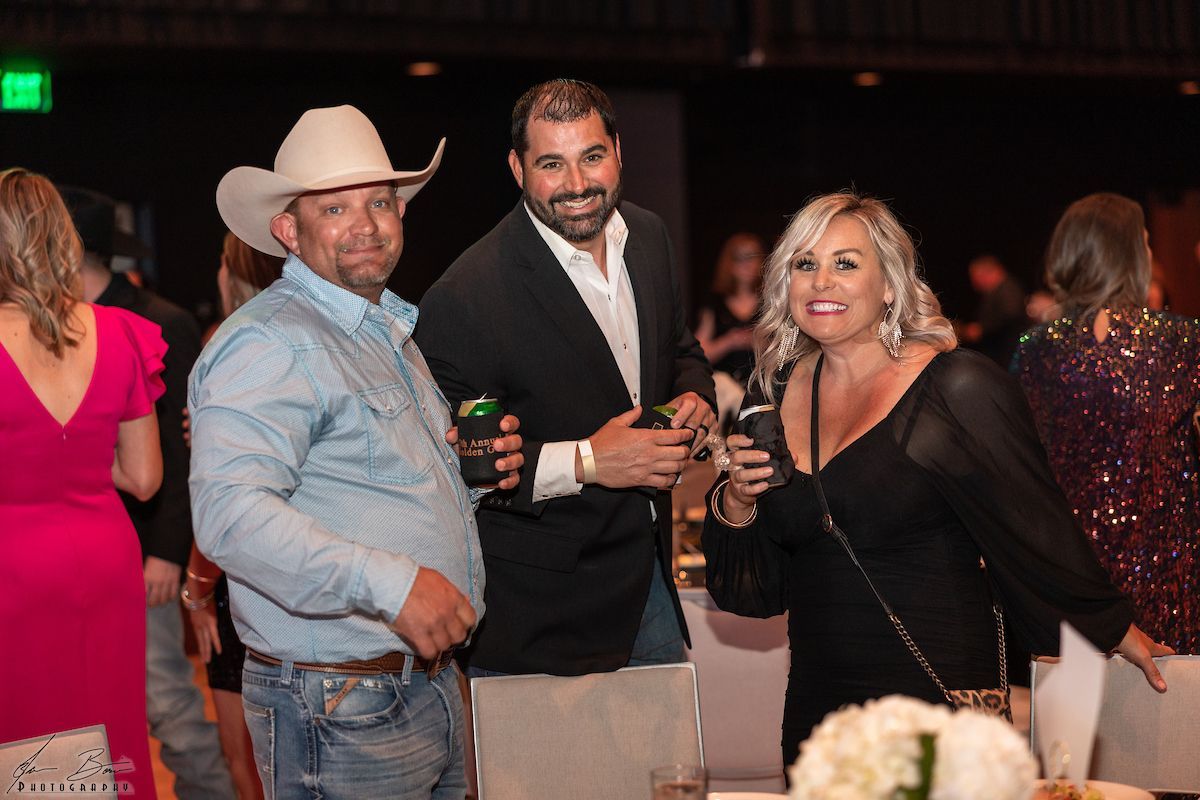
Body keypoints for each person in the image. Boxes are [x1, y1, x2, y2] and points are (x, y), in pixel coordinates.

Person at [702, 191, 1173, 766]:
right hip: (820, 715)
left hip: (938, 700)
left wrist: (1109, 625)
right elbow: (751, 592)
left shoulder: (956, 388)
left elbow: (1035, 528)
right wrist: (737, 500)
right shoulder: (771, 394)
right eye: (805, 263)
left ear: (890, 286)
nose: (822, 280)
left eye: (845, 263)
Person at [189, 105, 523, 799]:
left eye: (379, 201)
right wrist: (393, 586)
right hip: (340, 704)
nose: (365, 223)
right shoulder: (270, 341)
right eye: (335, 208)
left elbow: (370, 487)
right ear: (289, 231)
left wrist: (472, 477)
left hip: (418, 686)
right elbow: (230, 517)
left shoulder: (381, 330)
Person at [417, 79, 715, 677]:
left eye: (592, 156)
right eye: (552, 164)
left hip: (652, 585)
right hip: (542, 620)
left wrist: (695, 397)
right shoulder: (465, 297)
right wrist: (589, 461)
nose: (577, 184)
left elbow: (679, 349)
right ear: (517, 168)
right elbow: (459, 472)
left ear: (618, 152)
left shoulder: (649, 236)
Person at [60, 184, 235, 800]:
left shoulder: (159, 320)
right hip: (76, 547)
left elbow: (184, 449)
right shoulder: (51, 329)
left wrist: (166, 551)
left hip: (141, 547)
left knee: (166, 701)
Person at [0, 168, 164, 797]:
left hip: (14, 564)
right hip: (104, 558)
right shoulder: (120, 331)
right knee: (106, 730)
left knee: (26, 735)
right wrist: (85, 465)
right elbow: (144, 478)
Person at [1013, 193, 1200, 654]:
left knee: (1074, 698)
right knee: (1171, 694)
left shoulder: (1036, 350)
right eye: (1146, 242)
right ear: (1132, 254)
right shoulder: (1181, 341)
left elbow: (1020, 466)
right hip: (1165, 569)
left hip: (1072, 577)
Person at [183, 231, 283, 800]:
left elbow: (222, 493)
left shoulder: (227, 344)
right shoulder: (305, 337)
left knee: (248, 756)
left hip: (236, 574)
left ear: (234, 271)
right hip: (291, 572)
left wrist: (197, 589)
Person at [695, 232, 765, 430]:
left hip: (761, 387)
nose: (747, 264)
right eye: (740, 257)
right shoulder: (715, 303)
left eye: (752, 257)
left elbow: (787, 348)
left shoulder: (771, 301)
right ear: (729, 263)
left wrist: (760, 342)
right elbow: (699, 354)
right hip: (724, 391)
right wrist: (730, 341)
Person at [960, 253, 1028, 366]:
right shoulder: (996, 291)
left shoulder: (1008, 289)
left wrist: (982, 329)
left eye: (976, 277)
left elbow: (1011, 315)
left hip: (1009, 352)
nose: (974, 283)